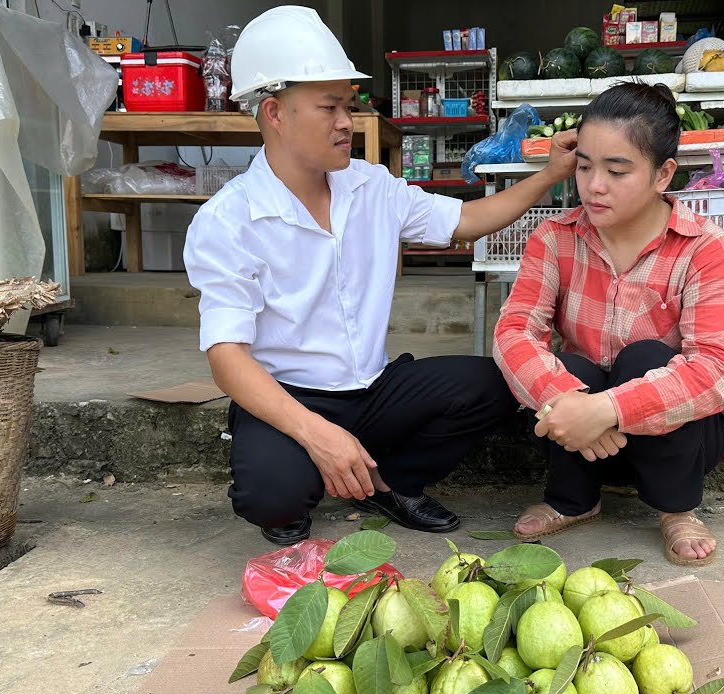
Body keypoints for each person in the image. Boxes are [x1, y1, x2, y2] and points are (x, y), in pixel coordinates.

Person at [184, 6, 578, 545]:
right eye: (329, 107)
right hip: (290, 397)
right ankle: (305, 480)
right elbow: (227, 360)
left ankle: (390, 484)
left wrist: (551, 173)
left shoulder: (371, 187)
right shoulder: (227, 221)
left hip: (375, 389)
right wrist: (318, 435)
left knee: (493, 383)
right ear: (274, 112)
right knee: (270, 497)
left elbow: (465, 220)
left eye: (348, 105)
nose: (347, 121)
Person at [492, 82, 724, 566]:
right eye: (584, 166)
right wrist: (564, 398)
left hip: (679, 440)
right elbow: (514, 332)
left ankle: (677, 508)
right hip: (579, 434)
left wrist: (606, 409)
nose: (594, 185)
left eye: (617, 169)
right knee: (567, 367)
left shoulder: (706, 249)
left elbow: (718, 368)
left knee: (646, 357)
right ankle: (574, 499)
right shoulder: (554, 238)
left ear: (662, 174)